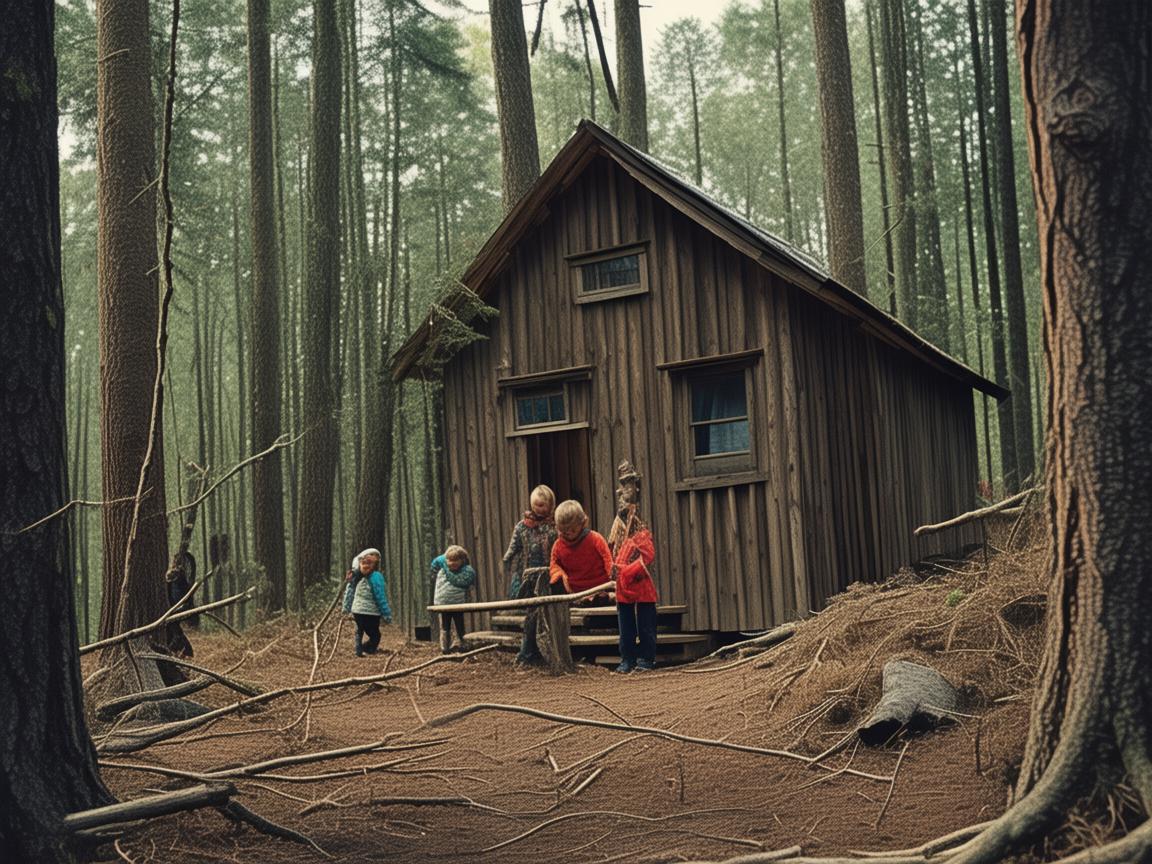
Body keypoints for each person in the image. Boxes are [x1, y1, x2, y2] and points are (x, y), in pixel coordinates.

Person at [607, 460, 658, 673]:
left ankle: (646, 658)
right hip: (622, 580)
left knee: (645, 621)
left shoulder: (640, 525)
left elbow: (647, 554)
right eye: (623, 488)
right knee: (626, 623)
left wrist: (632, 569)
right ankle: (627, 658)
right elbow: (612, 547)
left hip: (640, 578)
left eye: (629, 486)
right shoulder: (618, 524)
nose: (625, 494)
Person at [502, 485, 558, 599]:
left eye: (542, 505)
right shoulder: (522, 526)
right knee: (524, 598)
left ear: (551, 505)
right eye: (536, 505)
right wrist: (507, 559)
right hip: (526, 572)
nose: (539, 509)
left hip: (548, 572)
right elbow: (514, 546)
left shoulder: (555, 526)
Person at [342, 547, 392, 657]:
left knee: (359, 630)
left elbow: (349, 593)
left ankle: (358, 650)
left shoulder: (355, 578)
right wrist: (386, 613)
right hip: (371, 613)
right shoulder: (376, 577)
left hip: (357, 611)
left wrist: (346, 608)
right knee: (375, 636)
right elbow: (380, 597)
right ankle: (368, 649)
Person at [430, 545, 476, 654]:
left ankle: (462, 644)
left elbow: (466, 581)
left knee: (458, 623)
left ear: (462, 560)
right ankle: (446, 647)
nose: (452, 563)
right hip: (444, 603)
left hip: (456, 603)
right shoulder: (443, 568)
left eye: (455, 560)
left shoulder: (466, 571)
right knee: (445, 625)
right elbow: (435, 565)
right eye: (450, 560)